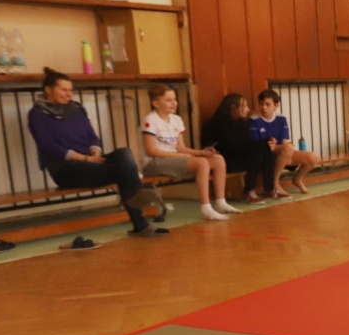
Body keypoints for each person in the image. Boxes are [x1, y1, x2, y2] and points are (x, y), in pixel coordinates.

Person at [25, 67, 166, 237]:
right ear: (48, 90)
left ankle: (137, 199)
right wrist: (83, 158)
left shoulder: (76, 110)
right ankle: (139, 214)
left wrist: (94, 152)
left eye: (70, 90)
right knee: (124, 172)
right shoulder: (37, 114)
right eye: (63, 90)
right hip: (65, 168)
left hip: (90, 162)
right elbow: (48, 146)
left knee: (124, 153)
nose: (69, 94)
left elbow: (92, 136)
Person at [141, 83, 239, 222]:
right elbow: (151, 150)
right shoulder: (151, 120)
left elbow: (181, 148)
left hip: (174, 159)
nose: (174, 103)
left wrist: (201, 152)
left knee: (218, 160)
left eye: (174, 99)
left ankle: (220, 202)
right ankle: (206, 208)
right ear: (156, 103)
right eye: (168, 100)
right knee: (202, 163)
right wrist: (181, 156)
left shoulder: (176, 119)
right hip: (155, 162)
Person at [203, 92, 275, 202]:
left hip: (236, 155)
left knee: (267, 150)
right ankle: (249, 191)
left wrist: (266, 141)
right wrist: (261, 146)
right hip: (224, 160)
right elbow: (232, 147)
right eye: (244, 106)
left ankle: (269, 188)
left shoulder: (240, 122)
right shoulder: (220, 123)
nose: (247, 109)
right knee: (256, 157)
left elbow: (246, 142)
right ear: (234, 108)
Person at [252, 90, 319, 195]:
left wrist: (288, 152)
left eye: (267, 104)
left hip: (281, 151)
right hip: (264, 154)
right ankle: (274, 184)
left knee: (312, 157)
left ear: (276, 105)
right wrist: (287, 150)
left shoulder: (281, 118)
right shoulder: (253, 120)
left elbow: (284, 141)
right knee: (287, 148)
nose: (264, 107)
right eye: (261, 104)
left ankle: (297, 179)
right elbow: (258, 145)